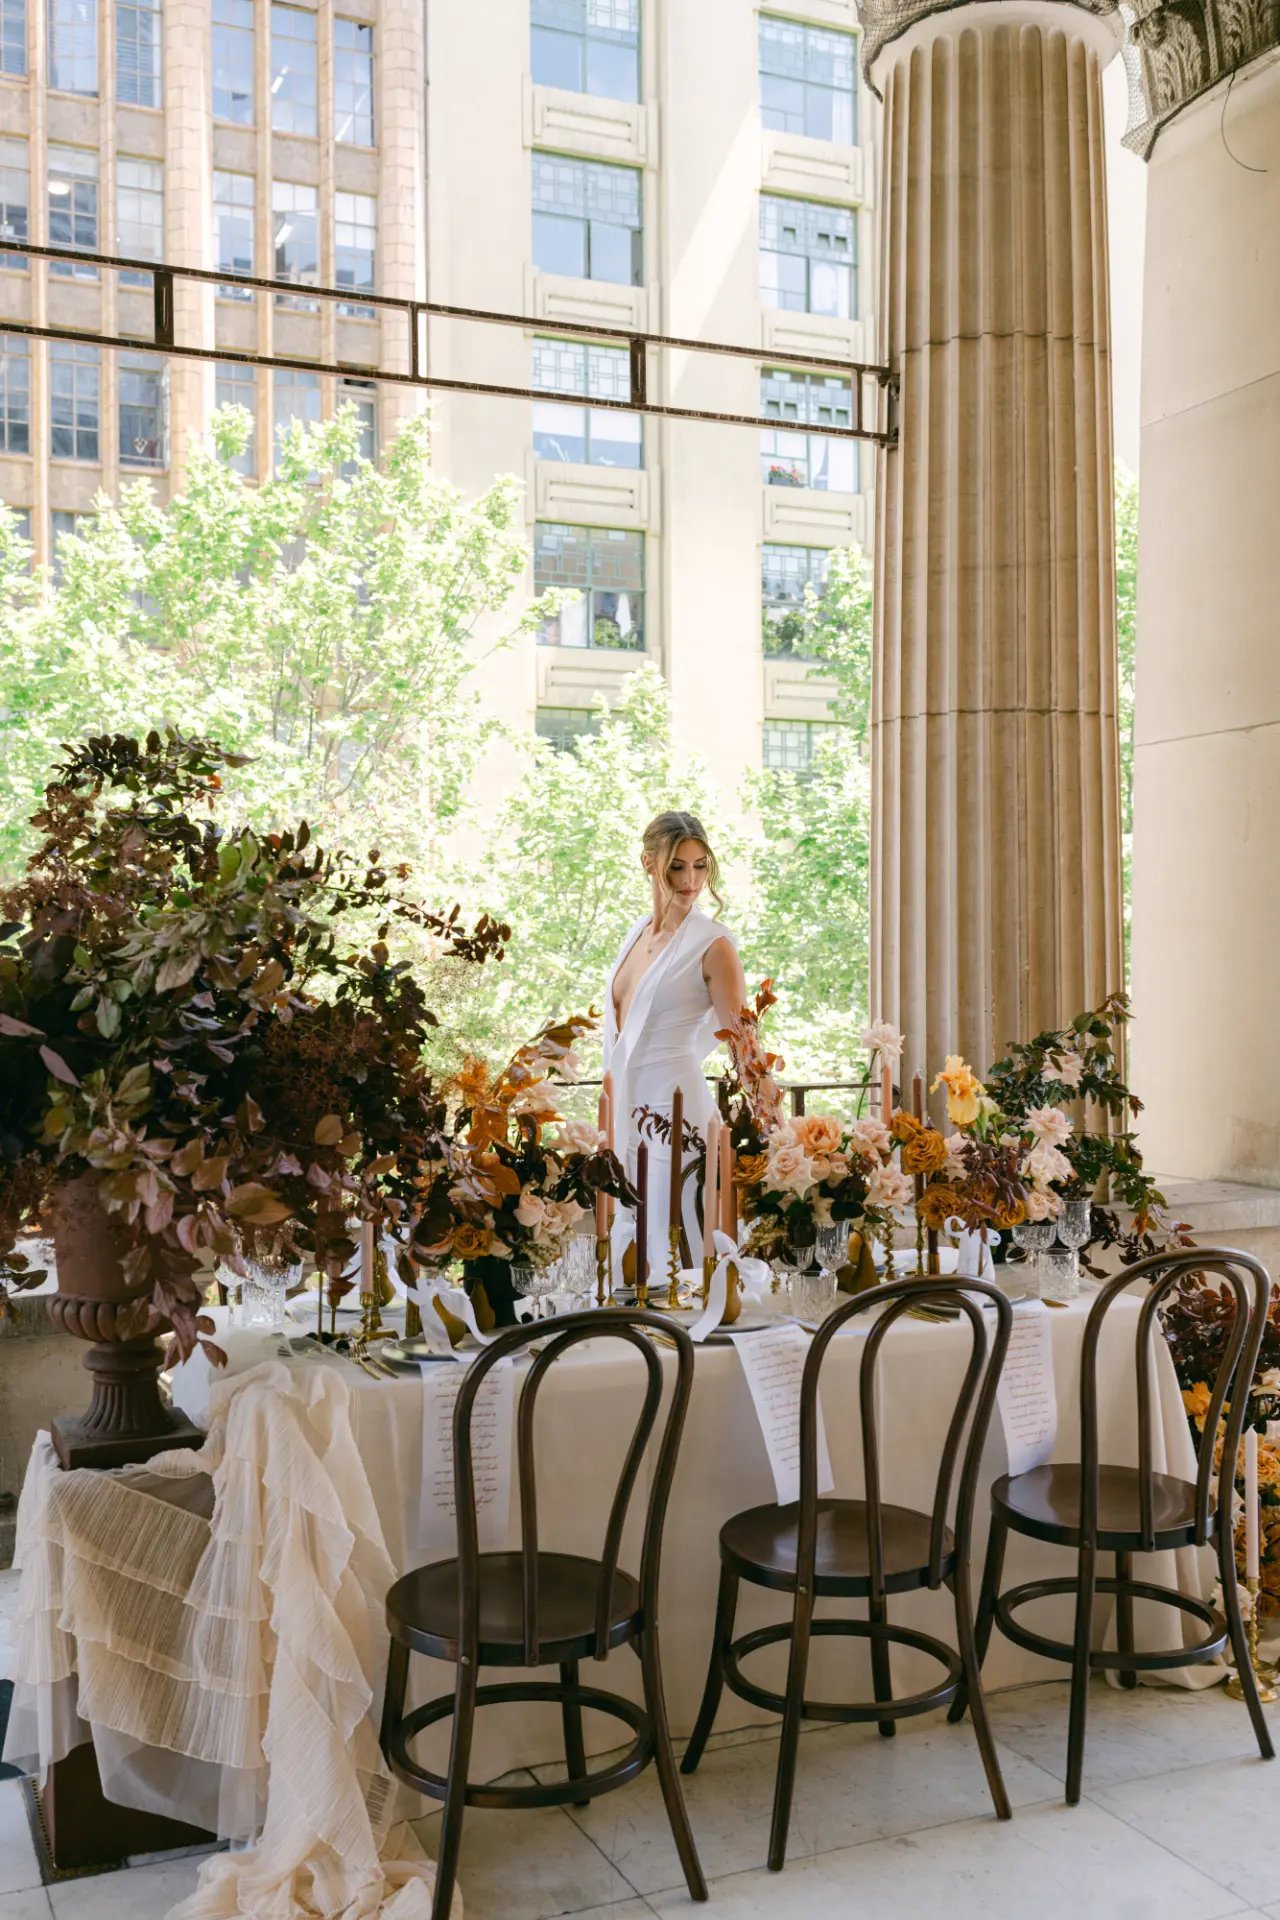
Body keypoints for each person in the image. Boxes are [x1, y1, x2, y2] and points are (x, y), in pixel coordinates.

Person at [602, 810, 762, 1284]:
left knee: (678, 1255)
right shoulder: (636, 933)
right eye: (677, 866)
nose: (690, 880)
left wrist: (776, 1136)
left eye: (699, 865)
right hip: (627, 1113)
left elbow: (746, 1049)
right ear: (648, 864)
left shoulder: (712, 945)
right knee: (631, 1256)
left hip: (677, 1117)